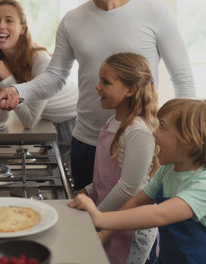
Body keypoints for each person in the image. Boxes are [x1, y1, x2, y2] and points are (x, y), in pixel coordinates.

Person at [0, 0, 196, 191]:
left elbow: (183, 79)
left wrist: (182, 136)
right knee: (88, 225)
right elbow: (55, 77)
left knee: (138, 228)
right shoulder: (72, 20)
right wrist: (17, 91)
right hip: (86, 142)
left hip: (141, 143)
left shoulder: (155, 13)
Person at [69, 98, 206, 264]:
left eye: (162, 126)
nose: (154, 132)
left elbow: (159, 214)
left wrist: (99, 217)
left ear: (190, 143)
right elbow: (136, 202)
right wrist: (104, 234)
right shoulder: (168, 170)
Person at [0, 0, 78, 167]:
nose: (0, 25)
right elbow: (0, 117)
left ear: (22, 28)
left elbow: (29, 121)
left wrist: (6, 77)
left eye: (9, 20)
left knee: (68, 183)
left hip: (70, 124)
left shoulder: (40, 60)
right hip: (46, 121)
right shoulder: (2, 61)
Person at [78, 52, 159, 264]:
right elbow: (105, 174)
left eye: (106, 82)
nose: (97, 87)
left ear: (130, 90)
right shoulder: (113, 121)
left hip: (130, 227)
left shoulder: (138, 131)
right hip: (109, 217)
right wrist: (86, 191)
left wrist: (96, 216)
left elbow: (128, 187)